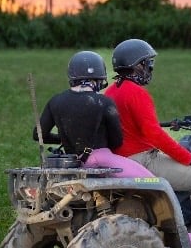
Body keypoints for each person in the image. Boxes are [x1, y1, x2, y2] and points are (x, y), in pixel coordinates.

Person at [104, 38, 191, 248]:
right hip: (142, 159)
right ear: (136, 65)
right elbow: (154, 134)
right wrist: (189, 158)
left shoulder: (111, 92)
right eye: (146, 62)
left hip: (122, 159)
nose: (150, 67)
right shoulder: (137, 93)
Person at [34, 50, 152, 179]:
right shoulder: (104, 102)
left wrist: (65, 138)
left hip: (72, 162)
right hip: (101, 159)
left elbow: (39, 135)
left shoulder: (55, 101)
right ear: (98, 78)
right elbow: (116, 141)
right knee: (152, 181)